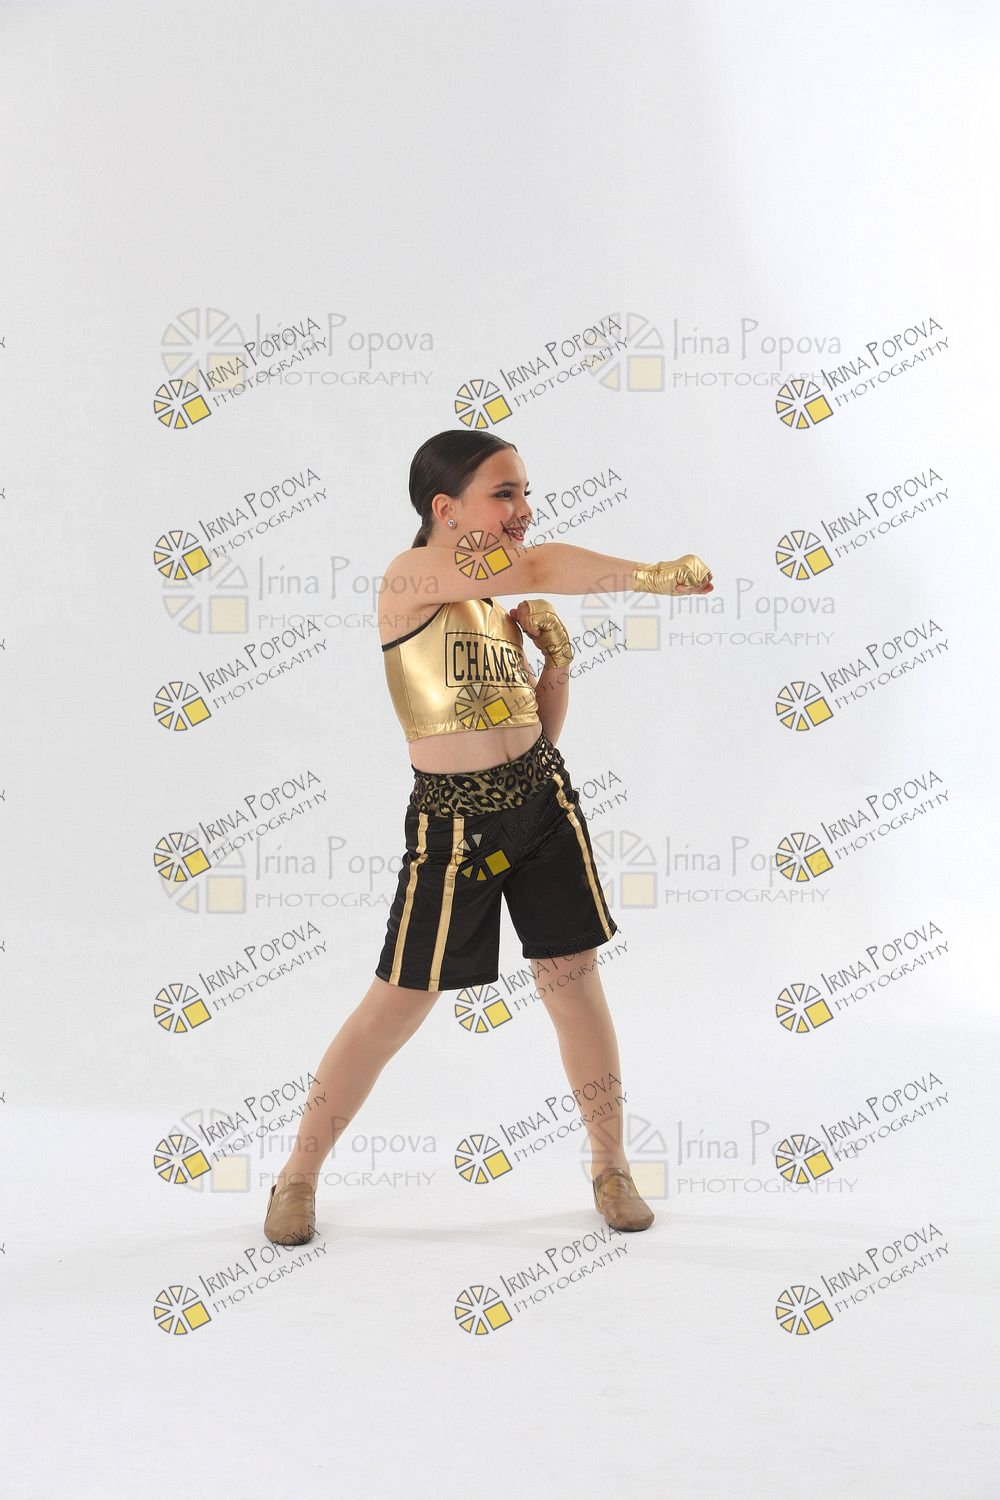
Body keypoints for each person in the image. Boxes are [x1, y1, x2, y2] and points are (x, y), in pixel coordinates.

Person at [263, 428, 713, 1247]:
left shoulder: (497, 612)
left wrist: (556, 666)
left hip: (542, 807)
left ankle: (611, 1166)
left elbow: (536, 731)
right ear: (446, 507)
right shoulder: (409, 578)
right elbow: (536, 567)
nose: (523, 509)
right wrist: (649, 576)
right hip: (456, 828)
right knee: (400, 1000)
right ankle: (297, 1174)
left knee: (572, 984)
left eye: (525, 493)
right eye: (504, 493)